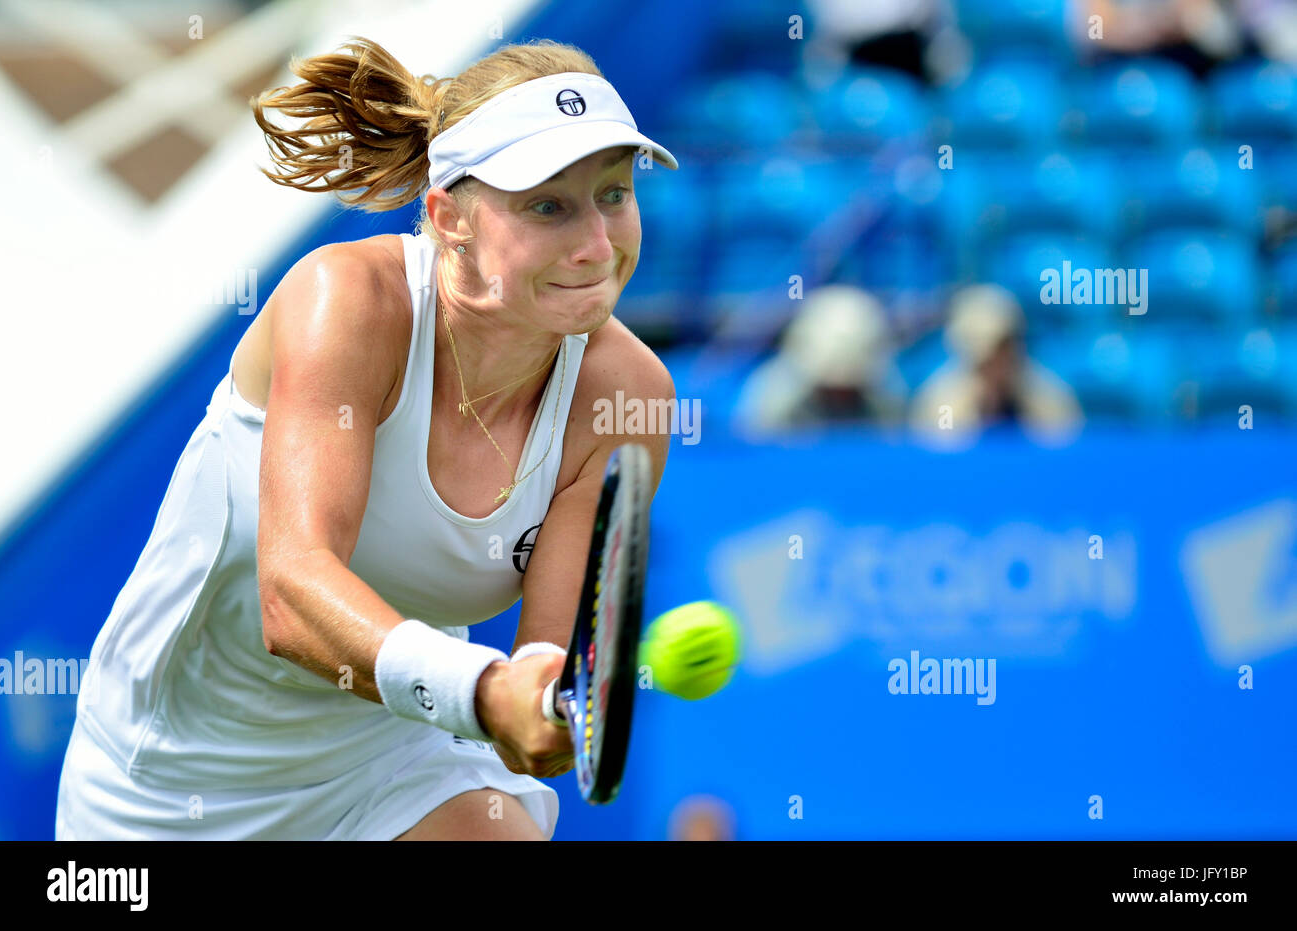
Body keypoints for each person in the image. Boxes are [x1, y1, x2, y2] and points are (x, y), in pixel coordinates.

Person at [54, 36, 676, 841]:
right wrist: (487, 693)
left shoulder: (627, 398)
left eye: (614, 194)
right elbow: (293, 596)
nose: (598, 245)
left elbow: (538, 683)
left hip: (391, 762)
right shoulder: (346, 300)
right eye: (548, 206)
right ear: (449, 218)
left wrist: (541, 712)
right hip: (169, 776)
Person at [908, 284, 1081, 446]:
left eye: (1009, 345)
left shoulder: (1049, 396)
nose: (1002, 360)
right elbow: (940, 460)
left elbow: (1064, 456)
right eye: (996, 349)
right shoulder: (941, 402)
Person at [733, 284, 907, 435]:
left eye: (849, 390)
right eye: (830, 389)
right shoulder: (772, 400)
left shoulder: (887, 400)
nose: (840, 398)